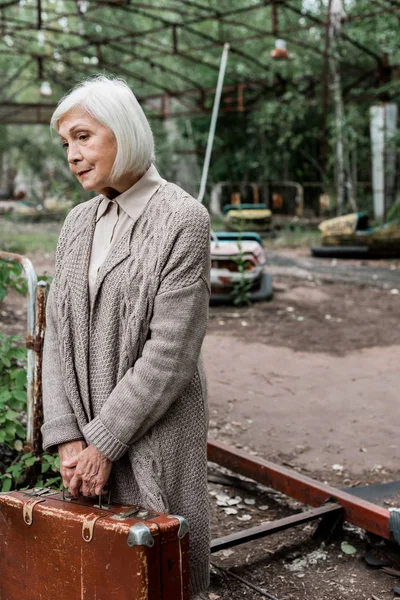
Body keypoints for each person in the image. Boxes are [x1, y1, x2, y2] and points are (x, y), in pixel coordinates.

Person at [41, 75, 211, 599]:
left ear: (124, 130)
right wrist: (69, 436)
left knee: (162, 570)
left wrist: (104, 441)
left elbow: (170, 354)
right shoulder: (78, 221)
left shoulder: (184, 219)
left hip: (154, 432)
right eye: (66, 142)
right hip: (84, 436)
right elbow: (58, 335)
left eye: (83, 136)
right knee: (97, 576)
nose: (72, 154)